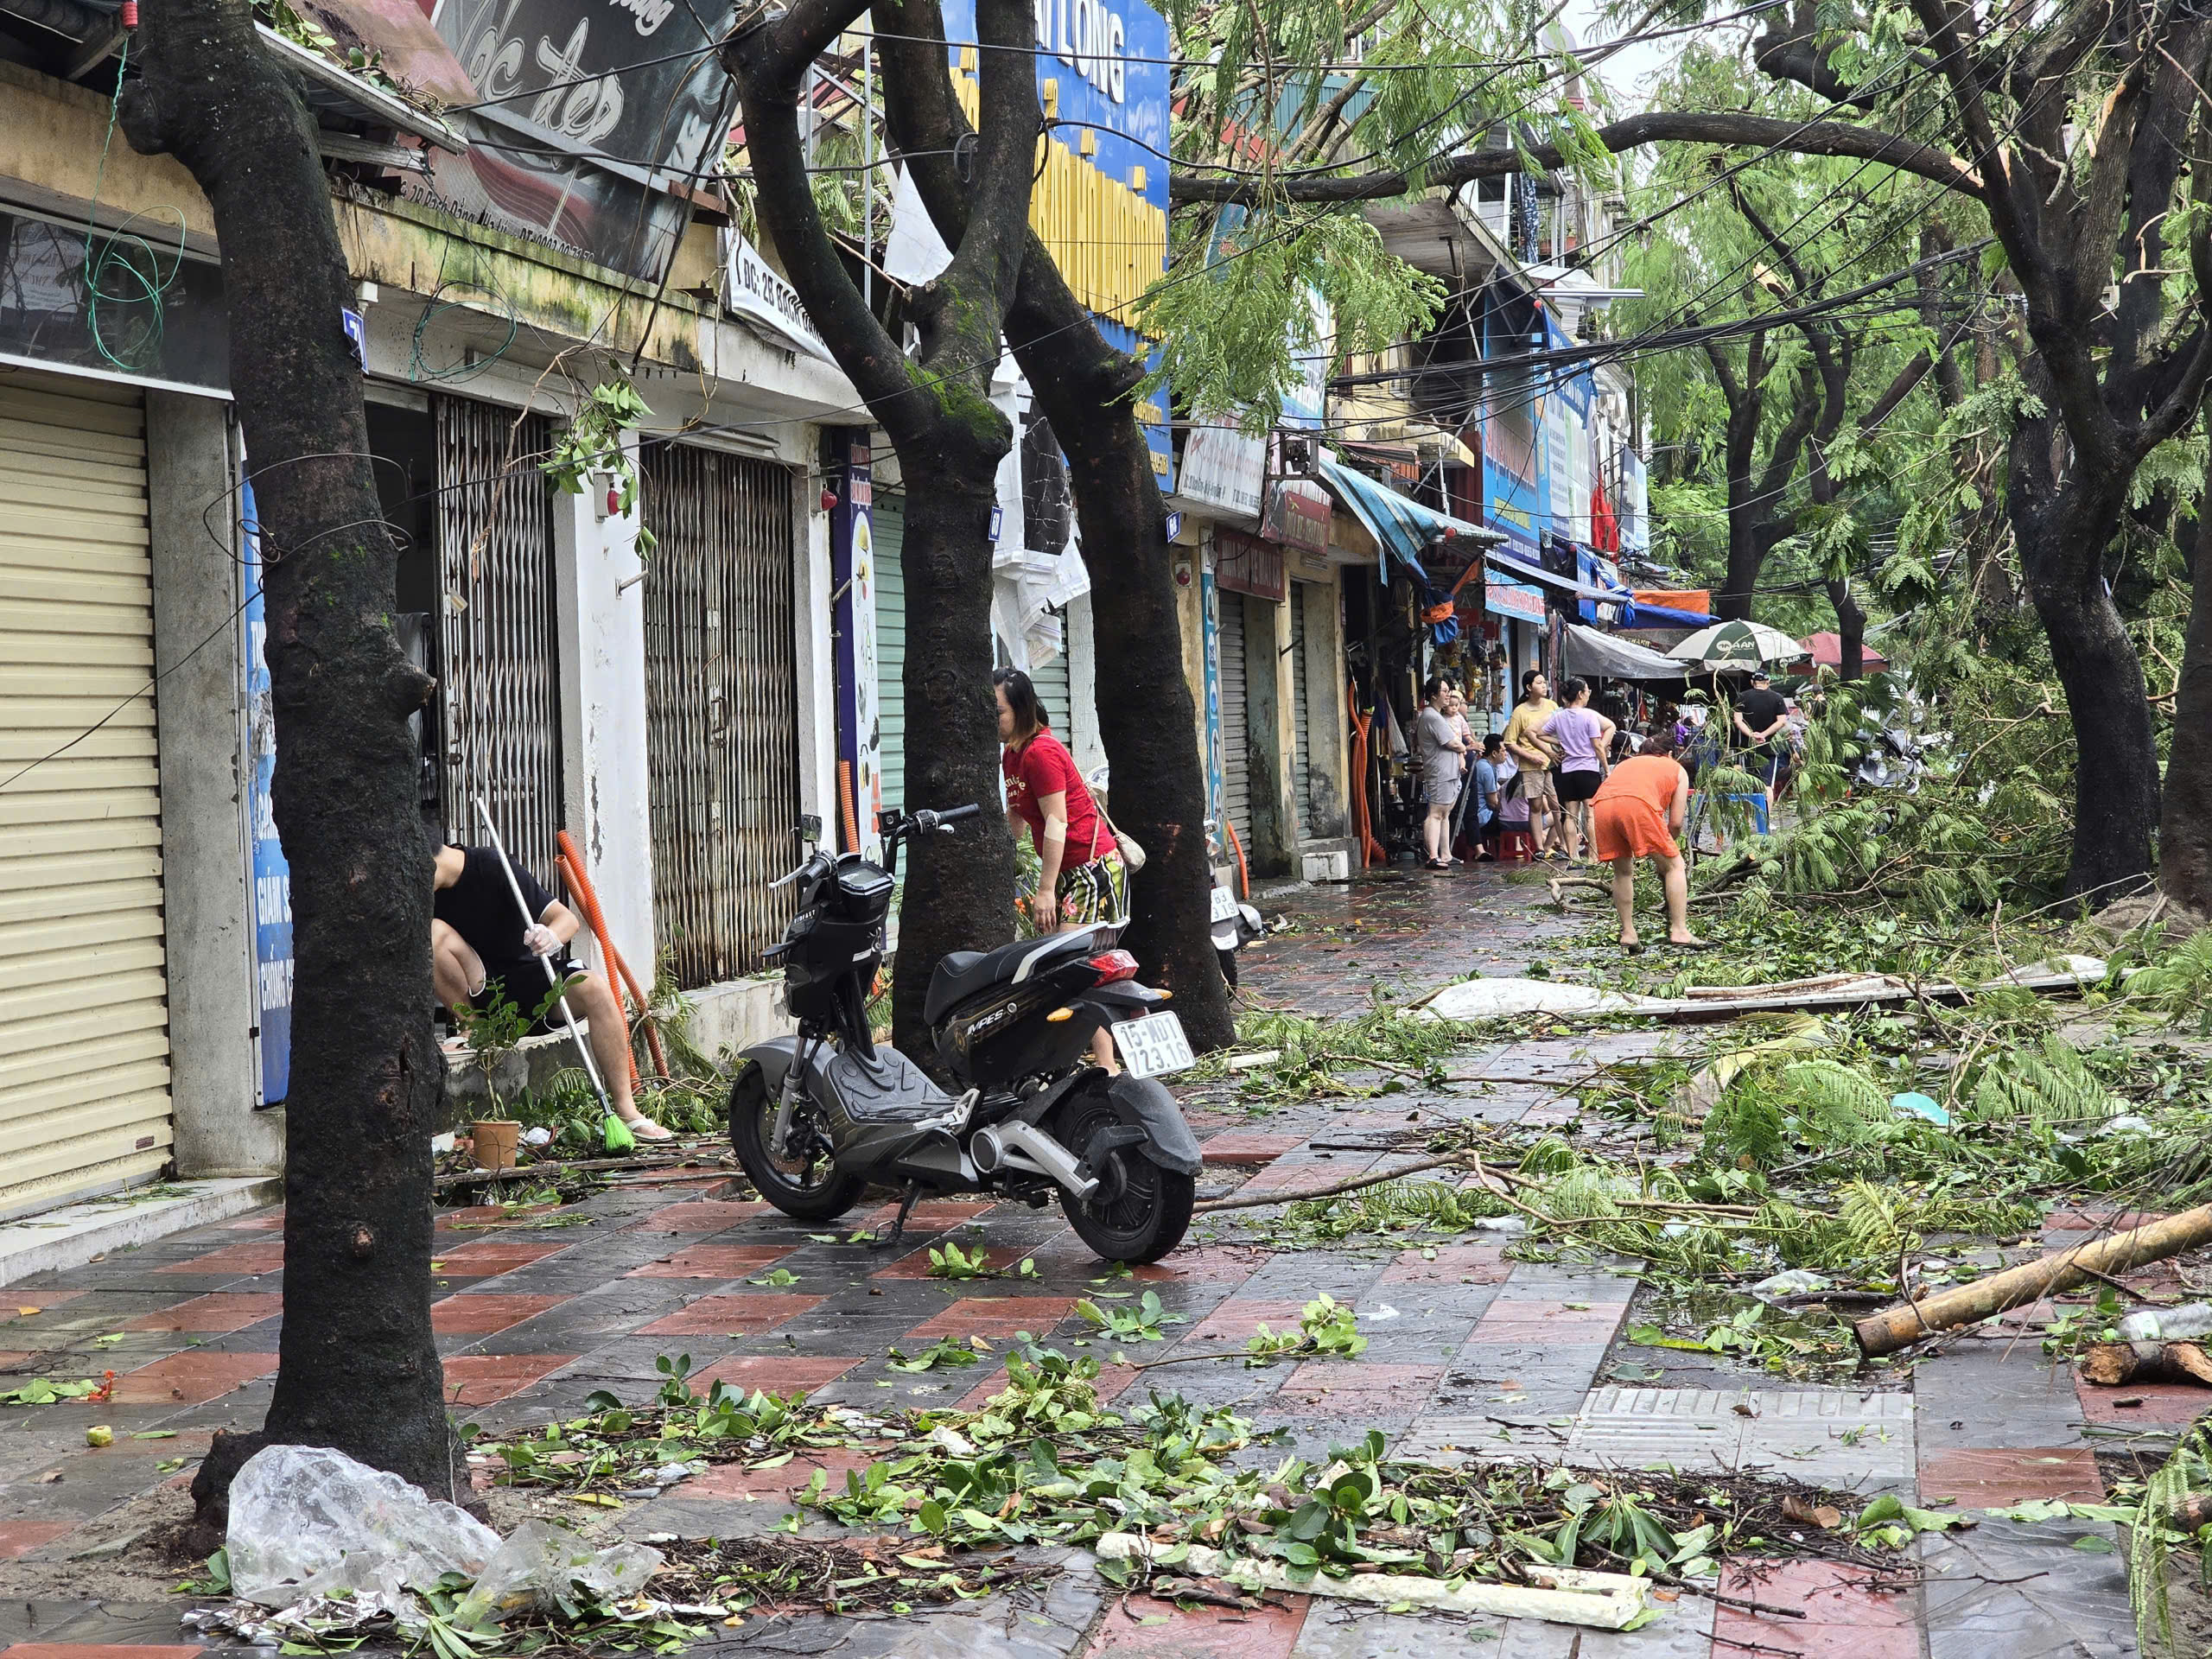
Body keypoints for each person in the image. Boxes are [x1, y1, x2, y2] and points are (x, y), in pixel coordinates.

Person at [433, 844, 671, 1141]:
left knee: (595, 987)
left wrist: (550, 937)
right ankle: (473, 1028)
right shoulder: (427, 895)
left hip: (532, 977)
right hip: (483, 985)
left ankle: (626, 1108)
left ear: (431, 861)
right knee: (432, 931)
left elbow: (567, 920)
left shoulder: (494, 866)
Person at [995, 667, 1126, 1065]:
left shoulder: (1042, 753)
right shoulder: (1012, 756)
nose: (993, 721)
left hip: (1093, 869)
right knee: (1076, 971)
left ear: (1020, 709)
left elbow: (1057, 822)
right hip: (1067, 872)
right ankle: (1099, 1067)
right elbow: (1016, 817)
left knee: (1072, 968)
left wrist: (1046, 889)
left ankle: (1105, 1068)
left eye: (997, 712)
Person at [1591, 728, 1707, 951]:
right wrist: (1666, 850)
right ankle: (1680, 930)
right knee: (1675, 866)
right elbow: (1675, 824)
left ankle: (1628, 933)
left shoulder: (1625, 764)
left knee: (1622, 871)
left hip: (1603, 805)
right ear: (1671, 753)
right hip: (1637, 805)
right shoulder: (1676, 769)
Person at [1540, 678, 1616, 862]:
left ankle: (1573, 857)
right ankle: (1593, 857)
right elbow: (1597, 746)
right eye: (1587, 690)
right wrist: (1606, 769)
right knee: (1590, 815)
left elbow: (1540, 733)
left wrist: (1559, 742)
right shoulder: (1589, 716)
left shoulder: (1559, 716)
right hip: (1588, 770)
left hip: (1567, 771)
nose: (1589, 693)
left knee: (1571, 816)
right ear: (1581, 694)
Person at [1501, 670, 1564, 859]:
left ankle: (1560, 845)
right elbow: (1509, 742)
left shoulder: (1552, 706)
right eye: (1539, 683)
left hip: (1552, 763)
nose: (1544, 686)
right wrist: (1529, 756)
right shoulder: (1520, 712)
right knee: (1535, 806)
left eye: (1544, 682)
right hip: (1530, 766)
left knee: (1557, 806)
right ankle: (1539, 848)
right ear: (1529, 688)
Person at [1413, 676, 1467, 870]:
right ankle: (1433, 856)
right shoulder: (1431, 716)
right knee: (1435, 813)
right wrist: (1464, 747)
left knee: (1444, 814)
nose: (1448, 695)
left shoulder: (1437, 716)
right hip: (1439, 772)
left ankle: (1446, 853)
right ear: (1434, 695)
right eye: (1444, 691)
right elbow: (1451, 742)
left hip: (1449, 772)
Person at [1732, 669, 1791, 811]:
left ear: (1752, 682)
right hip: (1769, 748)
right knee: (1767, 786)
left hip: (1748, 748)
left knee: (1748, 784)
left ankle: (1747, 820)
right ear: (1768, 681)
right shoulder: (1777, 698)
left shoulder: (1742, 697)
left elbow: (1737, 720)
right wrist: (1764, 735)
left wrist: (1752, 735)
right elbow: (1782, 721)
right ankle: (1766, 821)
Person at [1444, 683, 1479, 861]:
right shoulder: (1441, 719)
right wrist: (1467, 746)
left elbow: (1467, 734)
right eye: (1452, 704)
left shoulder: (1459, 719)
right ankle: (1446, 850)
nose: (1456, 708)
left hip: (1463, 754)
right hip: (1452, 757)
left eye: (1459, 704)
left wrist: (1472, 742)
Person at [1471, 733, 1503, 860]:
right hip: (1484, 817)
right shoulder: (1486, 769)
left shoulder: (1485, 765)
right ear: (1494, 753)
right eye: (1504, 750)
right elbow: (1492, 803)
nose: (1506, 753)